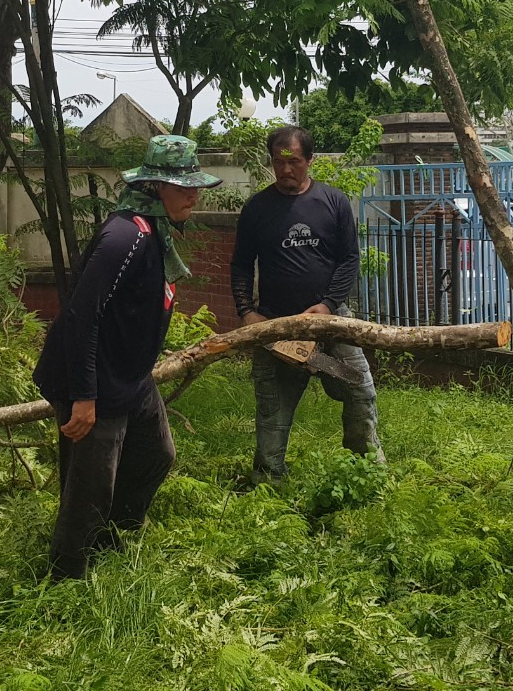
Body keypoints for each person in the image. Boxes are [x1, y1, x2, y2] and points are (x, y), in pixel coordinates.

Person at [33, 135, 221, 578]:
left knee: (157, 455)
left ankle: (112, 541)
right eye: (184, 187)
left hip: (131, 375)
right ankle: (66, 578)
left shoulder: (154, 231)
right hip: (94, 380)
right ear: (155, 186)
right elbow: (81, 316)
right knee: (89, 488)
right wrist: (84, 396)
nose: (194, 196)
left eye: (195, 186)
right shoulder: (125, 236)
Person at [230, 125, 384, 484]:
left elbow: (349, 259)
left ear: (310, 160)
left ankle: (365, 472)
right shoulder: (257, 208)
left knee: (359, 389)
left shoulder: (333, 202)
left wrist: (328, 305)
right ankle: (268, 482)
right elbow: (241, 264)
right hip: (275, 329)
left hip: (330, 325)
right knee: (273, 410)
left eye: (294, 162)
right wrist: (246, 311)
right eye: (278, 162)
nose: (285, 169)